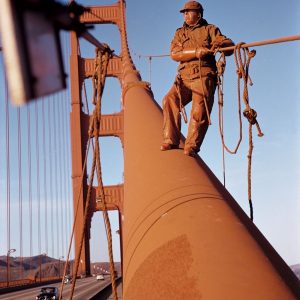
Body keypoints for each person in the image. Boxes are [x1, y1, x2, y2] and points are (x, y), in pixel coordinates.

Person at [161, 1, 234, 156]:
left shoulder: (210, 29)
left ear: (199, 14)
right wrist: (196, 51)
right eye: (184, 12)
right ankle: (170, 140)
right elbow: (174, 53)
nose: (185, 15)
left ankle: (191, 146)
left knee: (199, 110)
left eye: (188, 11)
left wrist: (223, 44)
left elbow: (228, 46)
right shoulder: (179, 33)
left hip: (203, 76)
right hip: (184, 77)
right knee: (169, 99)